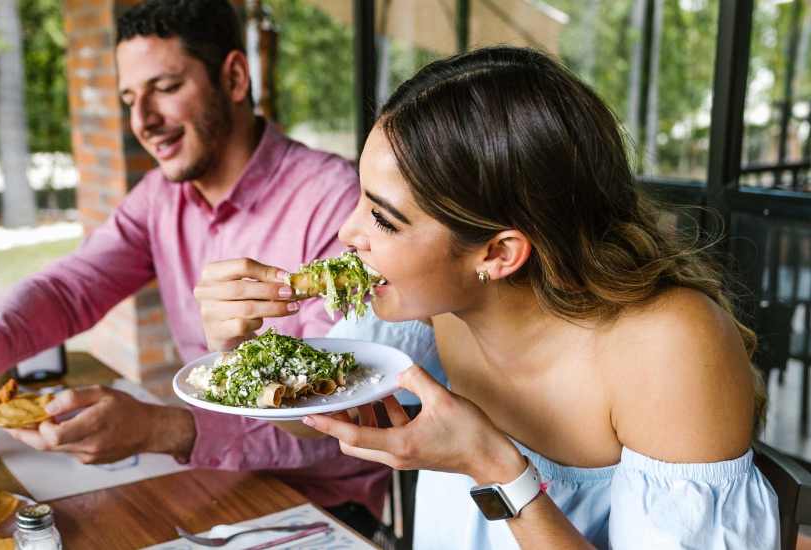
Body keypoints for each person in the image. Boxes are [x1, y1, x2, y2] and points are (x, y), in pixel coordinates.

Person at [196, 46, 779, 548]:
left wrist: (495, 467)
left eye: (384, 219)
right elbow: (323, 420)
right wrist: (237, 353)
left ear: (499, 254)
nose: (348, 235)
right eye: (361, 200)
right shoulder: (434, 309)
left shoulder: (669, 348)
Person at [0, 0, 389, 532]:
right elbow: (69, 288)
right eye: (130, 98)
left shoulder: (334, 204)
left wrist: (163, 428)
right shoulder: (159, 198)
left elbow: (335, 417)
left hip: (322, 508)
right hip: (207, 480)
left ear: (235, 77)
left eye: (166, 88)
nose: (142, 121)